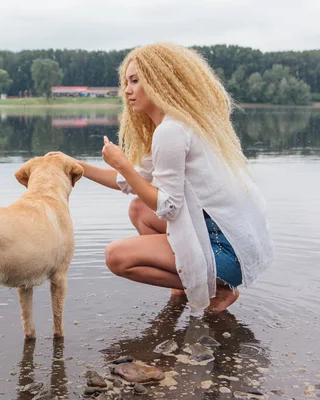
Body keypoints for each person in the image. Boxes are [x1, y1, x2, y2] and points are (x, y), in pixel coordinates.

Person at [50, 43, 273, 315]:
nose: (127, 90)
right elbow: (129, 181)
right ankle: (184, 283)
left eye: (135, 81)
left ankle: (217, 289)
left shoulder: (171, 131)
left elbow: (169, 207)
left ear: (157, 82)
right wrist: (73, 165)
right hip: (231, 242)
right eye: (126, 82)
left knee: (117, 257)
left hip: (224, 252)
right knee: (138, 209)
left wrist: (122, 162)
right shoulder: (175, 124)